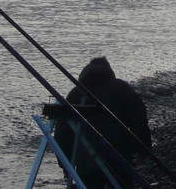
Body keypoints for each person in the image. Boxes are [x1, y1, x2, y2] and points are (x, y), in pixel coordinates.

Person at [53, 56, 152, 189]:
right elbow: (139, 120)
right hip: (119, 158)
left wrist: (65, 163)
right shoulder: (122, 88)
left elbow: (62, 133)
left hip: (86, 163)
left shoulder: (75, 94)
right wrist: (143, 149)